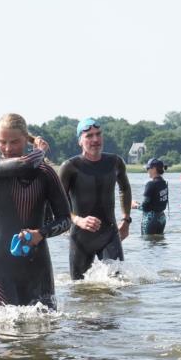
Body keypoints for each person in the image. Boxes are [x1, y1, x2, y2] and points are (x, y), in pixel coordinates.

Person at [0, 113, 71, 308]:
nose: (7, 148)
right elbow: (25, 164)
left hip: (38, 269)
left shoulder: (46, 174)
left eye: (14, 142)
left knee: (45, 333)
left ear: (24, 139)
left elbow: (65, 219)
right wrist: (40, 150)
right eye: (2, 141)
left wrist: (41, 233)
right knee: (4, 333)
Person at [59, 118, 132, 279]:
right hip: (80, 237)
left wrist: (126, 220)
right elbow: (57, 204)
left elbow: (125, 188)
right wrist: (77, 220)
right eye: (89, 136)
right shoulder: (69, 167)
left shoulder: (115, 162)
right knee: (78, 288)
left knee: (119, 285)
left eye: (98, 134)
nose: (95, 139)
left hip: (110, 234)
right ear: (80, 141)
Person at [138, 157, 169, 235]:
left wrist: (134, 205)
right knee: (159, 243)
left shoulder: (150, 184)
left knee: (148, 242)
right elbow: (157, 201)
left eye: (148, 168)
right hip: (162, 218)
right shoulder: (164, 183)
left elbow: (145, 206)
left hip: (150, 219)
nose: (147, 171)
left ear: (154, 169)